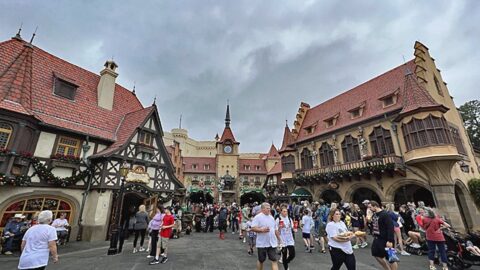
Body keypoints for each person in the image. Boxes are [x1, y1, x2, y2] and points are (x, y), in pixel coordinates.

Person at [251, 202, 281, 270]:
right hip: (262, 243)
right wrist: (261, 230)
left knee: (274, 260)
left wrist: (280, 239)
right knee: (261, 260)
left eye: (269, 208)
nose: (269, 209)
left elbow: (275, 229)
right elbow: (252, 228)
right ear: (262, 209)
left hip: (272, 243)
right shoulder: (258, 217)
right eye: (267, 208)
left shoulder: (271, 217)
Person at [369, 201, 397, 270]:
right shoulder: (374, 214)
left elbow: (390, 227)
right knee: (375, 254)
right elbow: (374, 225)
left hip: (386, 239)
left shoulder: (385, 214)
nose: (369, 209)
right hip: (377, 238)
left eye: (370, 207)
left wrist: (390, 240)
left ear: (375, 206)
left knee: (391, 258)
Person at [276, 206, 295, 270]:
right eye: (284, 211)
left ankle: (286, 262)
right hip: (282, 239)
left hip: (290, 239)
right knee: (284, 254)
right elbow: (276, 231)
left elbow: (292, 227)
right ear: (281, 212)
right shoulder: (278, 219)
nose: (285, 213)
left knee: (292, 254)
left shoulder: (289, 218)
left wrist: (294, 229)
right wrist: (279, 227)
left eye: (286, 211)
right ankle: (286, 268)